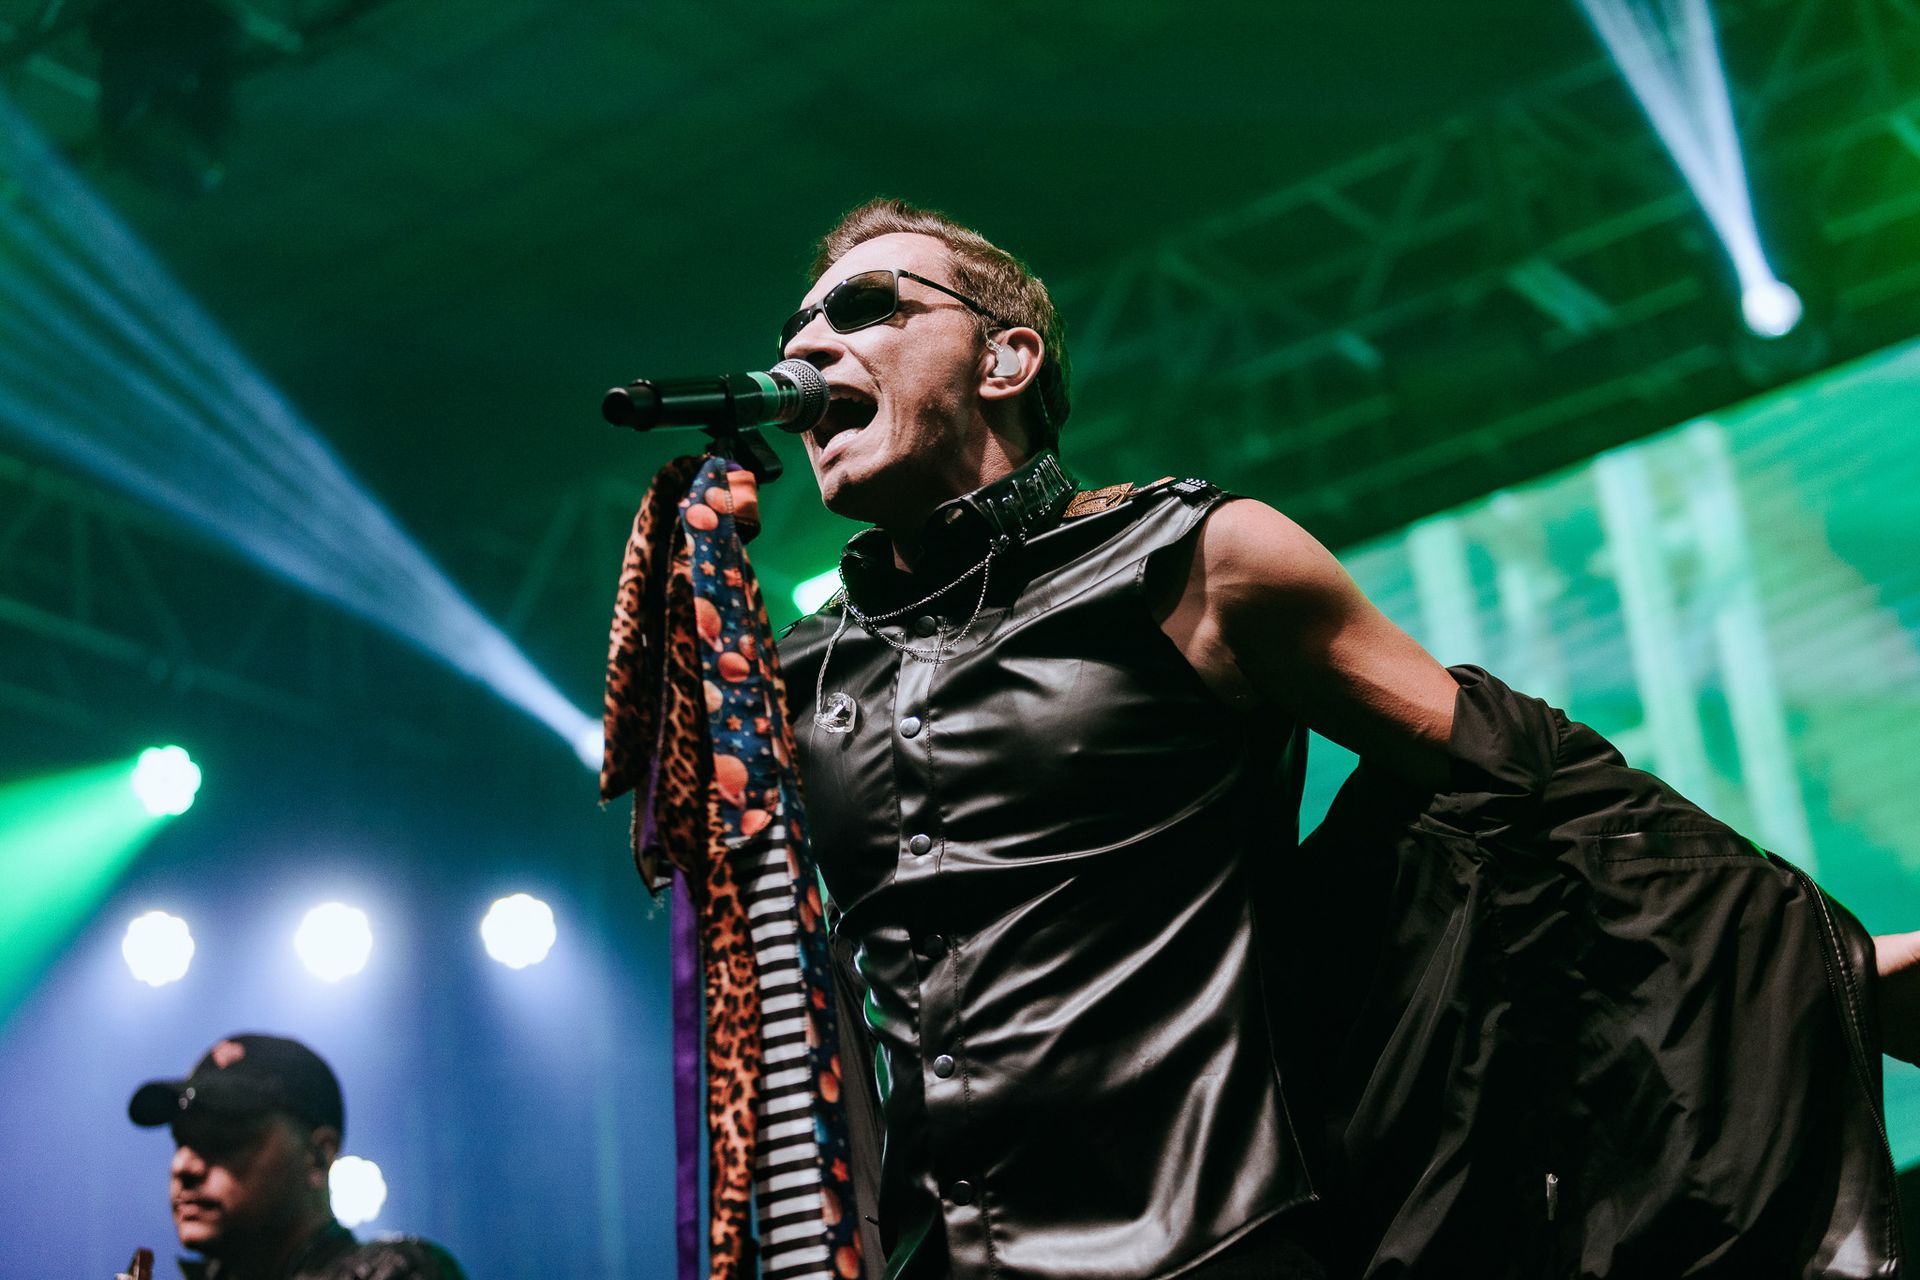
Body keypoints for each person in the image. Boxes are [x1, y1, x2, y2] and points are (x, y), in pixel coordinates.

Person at [774, 199, 1916, 1280]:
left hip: (1219, 1246)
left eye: (864, 306)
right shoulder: (792, 677)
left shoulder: (1193, 560)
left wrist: (1838, 962)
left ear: (1004, 360)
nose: (813, 344)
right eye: (799, 324)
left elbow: (1536, 787)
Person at [128, 1033, 464, 1280]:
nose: (184, 1167)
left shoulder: (393, 1274)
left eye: (225, 1139)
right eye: (181, 1141)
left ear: (319, 1155)